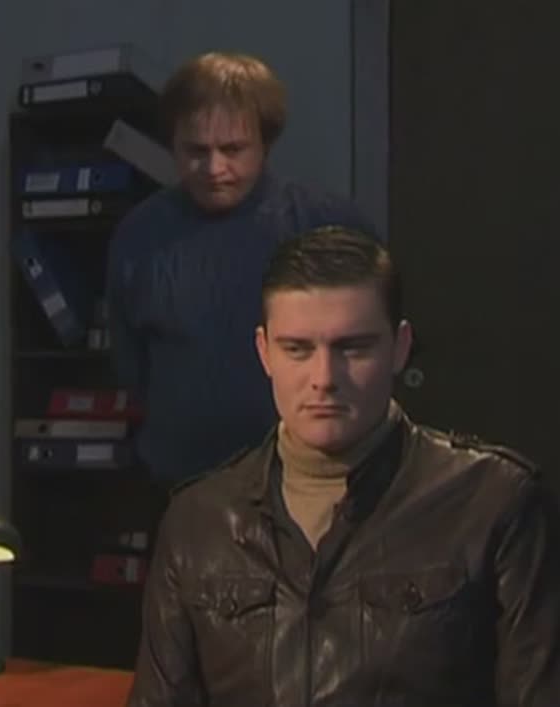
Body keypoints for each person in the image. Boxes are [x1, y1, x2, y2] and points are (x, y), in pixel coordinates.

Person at [127, 226, 560, 706]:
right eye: (297, 349)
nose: (323, 378)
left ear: (399, 347)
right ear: (264, 351)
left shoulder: (493, 503)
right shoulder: (199, 522)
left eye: (352, 348)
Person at [106, 52, 375, 487]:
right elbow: (131, 364)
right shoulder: (140, 236)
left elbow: (371, 353)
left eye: (232, 150)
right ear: (172, 145)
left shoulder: (325, 225)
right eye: (196, 151)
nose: (214, 169)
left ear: (265, 145)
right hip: (180, 485)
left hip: (311, 485)